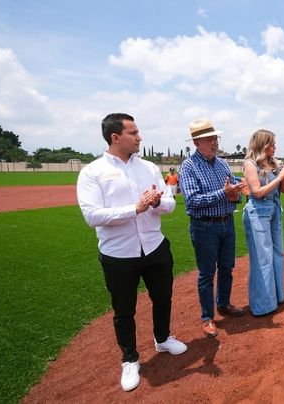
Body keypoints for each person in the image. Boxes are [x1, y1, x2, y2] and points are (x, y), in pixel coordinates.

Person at [76, 113, 187, 392]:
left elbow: (171, 204)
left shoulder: (149, 168)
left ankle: (162, 338)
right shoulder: (93, 172)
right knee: (124, 309)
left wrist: (158, 203)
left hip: (154, 245)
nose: (140, 137)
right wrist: (135, 208)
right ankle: (129, 358)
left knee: (163, 297)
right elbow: (92, 215)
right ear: (115, 137)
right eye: (134, 133)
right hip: (118, 253)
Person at [179, 119, 247, 338]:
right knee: (207, 273)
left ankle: (224, 304)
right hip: (204, 226)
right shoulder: (189, 166)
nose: (215, 142)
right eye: (210, 139)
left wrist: (236, 192)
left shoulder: (222, 164)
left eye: (216, 138)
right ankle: (207, 317)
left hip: (227, 222)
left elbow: (232, 188)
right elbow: (192, 201)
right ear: (197, 142)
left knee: (227, 267)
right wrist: (223, 193)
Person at [241, 129, 284, 315]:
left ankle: (277, 296)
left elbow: (283, 189)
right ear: (262, 144)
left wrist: (283, 175)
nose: (275, 146)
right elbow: (257, 192)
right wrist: (278, 177)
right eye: (272, 143)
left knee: (278, 254)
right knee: (263, 258)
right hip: (258, 211)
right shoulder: (250, 163)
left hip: (275, 209)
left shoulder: (273, 163)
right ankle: (263, 305)